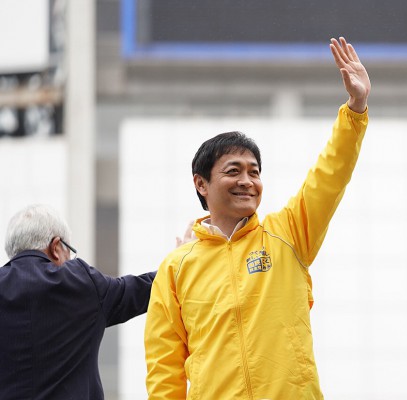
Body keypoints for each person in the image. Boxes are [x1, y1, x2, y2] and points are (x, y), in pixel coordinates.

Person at [144, 36, 370, 399]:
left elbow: (329, 177)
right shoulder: (175, 268)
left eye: (255, 171)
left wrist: (356, 109)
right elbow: (164, 366)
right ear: (201, 184)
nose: (247, 181)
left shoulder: (289, 232)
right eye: (234, 171)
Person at [0, 204, 156, 399]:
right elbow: (139, 289)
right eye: (69, 250)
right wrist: (182, 262)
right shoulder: (79, 282)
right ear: (56, 247)